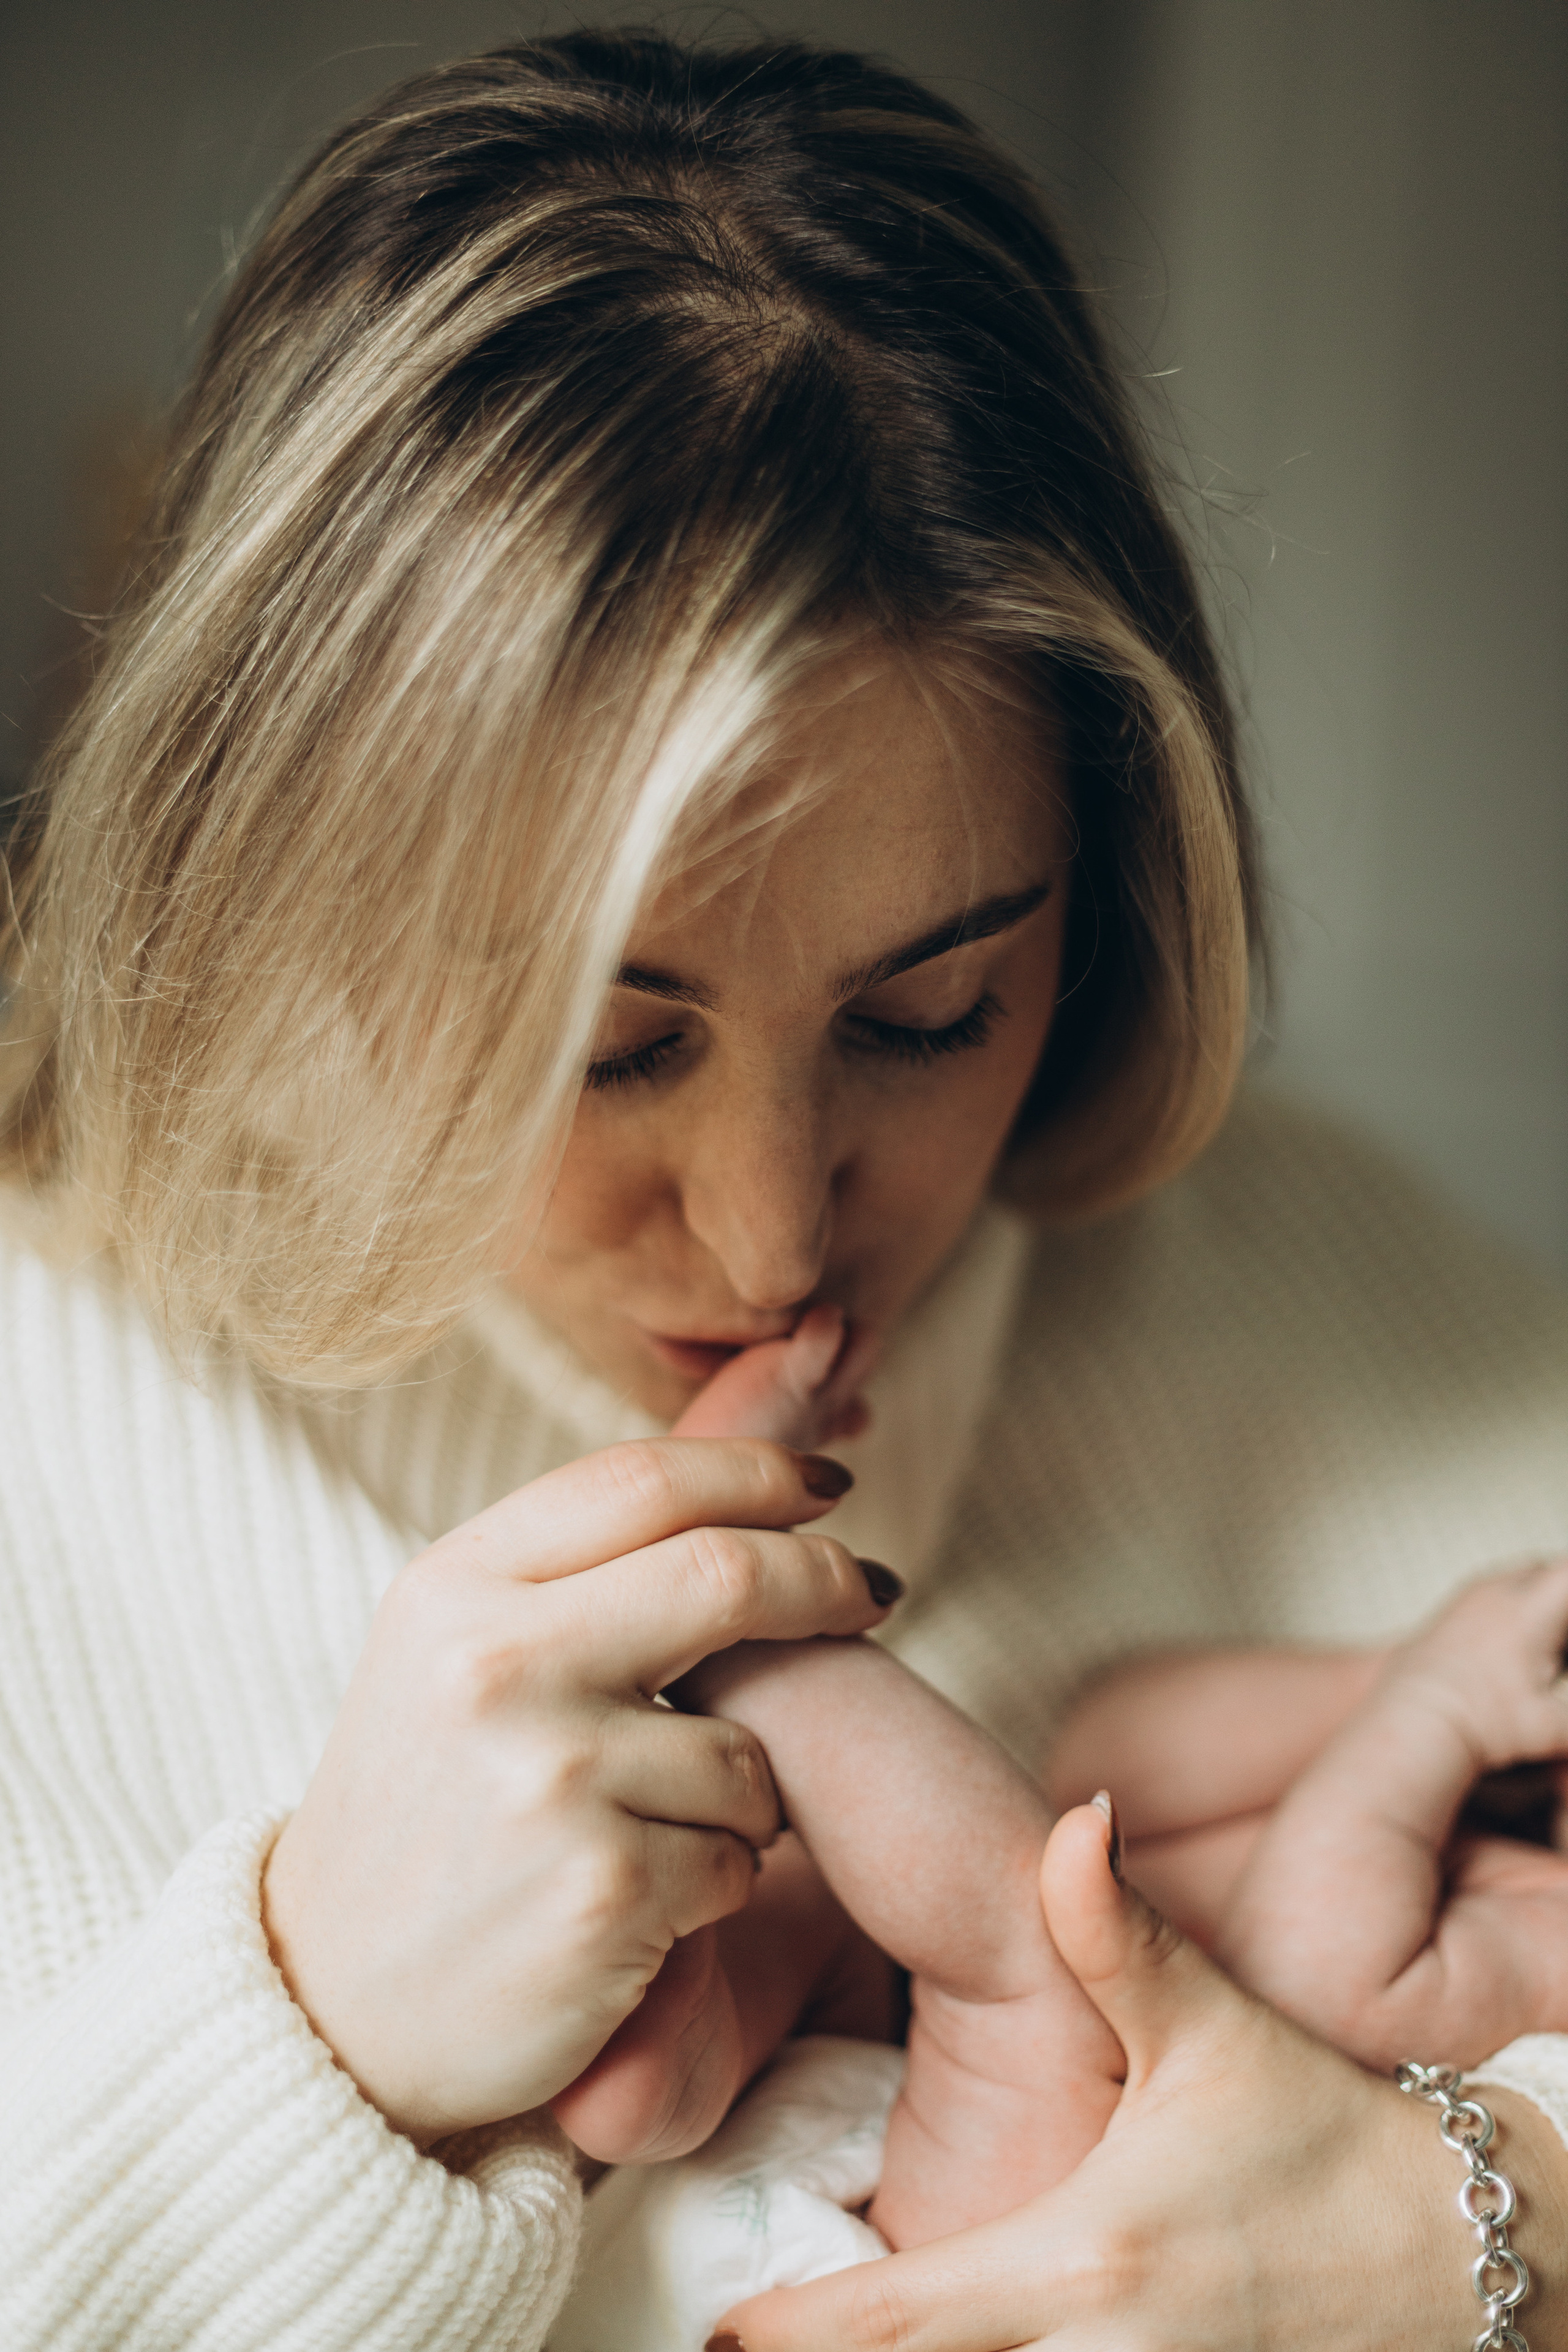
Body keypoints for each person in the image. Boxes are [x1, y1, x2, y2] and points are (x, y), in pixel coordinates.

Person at [2, 28, 1567, 2352]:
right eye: (606, 1044)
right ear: (281, 901)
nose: (769, 1233)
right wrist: (317, 2042)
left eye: (926, 1017)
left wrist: (1493, 2226)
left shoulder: (1356, 1311)